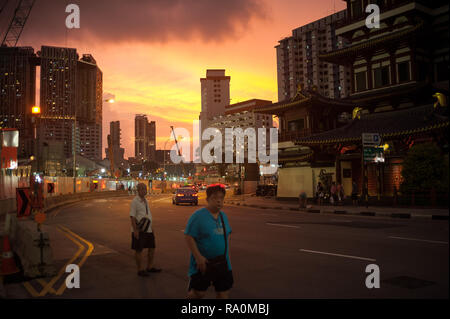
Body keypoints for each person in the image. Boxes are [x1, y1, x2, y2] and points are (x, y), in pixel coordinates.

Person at [184, 184, 233, 299]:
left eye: (221, 198)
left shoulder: (223, 216)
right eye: (215, 198)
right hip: (203, 263)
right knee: (198, 293)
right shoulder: (198, 216)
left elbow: (227, 237)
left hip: (222, 263)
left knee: (223, 293)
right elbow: (188, 236)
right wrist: (198, 257)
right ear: (207, 199)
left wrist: (228, 259)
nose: (219, 201)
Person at [130, 183, 162, 277]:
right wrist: (135, 230)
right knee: (138, 250)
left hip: (148, 229)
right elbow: (132, 216)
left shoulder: (145, 200)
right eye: (142, 189)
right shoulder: (135, 201)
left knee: (152, 248)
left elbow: (147, 214)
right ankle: (140, 269)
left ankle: (150, 267)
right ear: (138, 190)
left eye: (145, 188)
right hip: (139, 230)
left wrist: (152, 227)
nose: (144, 190)